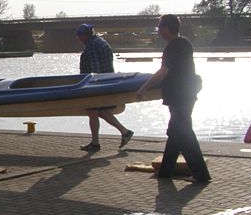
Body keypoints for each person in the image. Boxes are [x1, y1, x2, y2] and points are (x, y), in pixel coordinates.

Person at [136, 14, 211, 184]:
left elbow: (163, 72)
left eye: (160, 28)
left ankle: (201, 173)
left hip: (179, 96)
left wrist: (144, 87)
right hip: (187, 94)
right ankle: (165, 171)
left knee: (184, 133)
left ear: (166, 28)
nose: (159, 32)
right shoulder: (185, 43)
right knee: (175, 132)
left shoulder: (172, 48)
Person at [76, 24, 134, 151]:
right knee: (97, 112)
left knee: (93, 111)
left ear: (85, 35)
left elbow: (94, 69)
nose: (79, 39)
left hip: (97, 84)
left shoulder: (91, 46)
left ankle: (99, 141)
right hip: (107, 81)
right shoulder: (101, 41)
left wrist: (90, 85)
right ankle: (121, 133)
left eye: (80, 36)